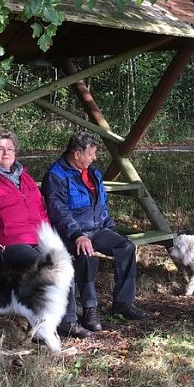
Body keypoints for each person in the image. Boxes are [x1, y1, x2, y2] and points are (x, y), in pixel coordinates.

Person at [0, 129, 93, 339]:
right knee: (42, 269)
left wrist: (53, 236)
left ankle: (65, 320)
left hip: (37, 237)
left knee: (61, 261)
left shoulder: (25, 177)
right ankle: (46, 327)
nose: (6, 153)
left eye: (10, 149)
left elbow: (42, 212)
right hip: (8, 242)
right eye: (0, 149)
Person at [42, 131, 149, 332]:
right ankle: (90, 310)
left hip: (97, 229)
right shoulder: (55, 175)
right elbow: (58, 211)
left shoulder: (93, 172)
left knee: (125, 246)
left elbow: (100, 204)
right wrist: (77, 235)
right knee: (85, 255)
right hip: (70, 233)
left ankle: (123, 303)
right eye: (90, 154)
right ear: (76, 154)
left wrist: (109, 225)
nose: (94, 158)